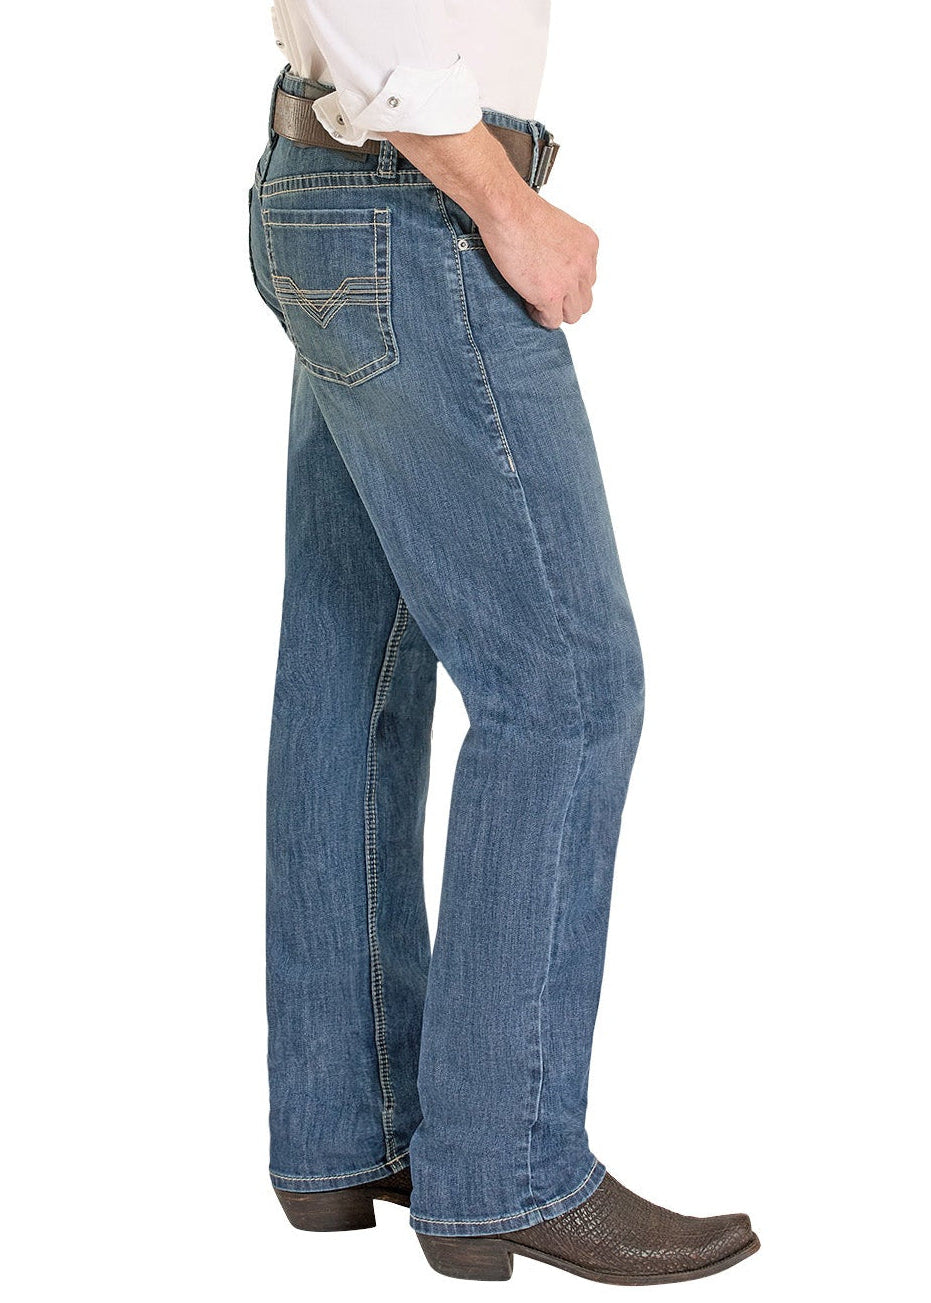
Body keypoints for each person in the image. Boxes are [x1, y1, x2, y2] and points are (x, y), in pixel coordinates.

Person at [248, 1, 759, 1284]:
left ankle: (347, 1125)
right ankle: (505, 1162)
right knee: (568, 694)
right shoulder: (455, 188)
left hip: (337, 191)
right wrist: (504, 203)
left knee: (352, 672)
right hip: (422, 198)